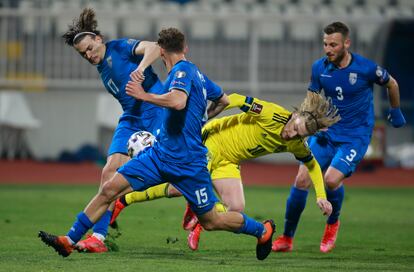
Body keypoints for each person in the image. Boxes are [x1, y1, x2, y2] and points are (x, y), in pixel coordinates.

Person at [39, 27, 276, 261]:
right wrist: (202, 117)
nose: (88, 55)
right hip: (160, 155)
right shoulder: (199, 75)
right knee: (110, 188)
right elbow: (223, 99)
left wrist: (143, 95)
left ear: (161, 52)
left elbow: (178, 101)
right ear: (186, 48)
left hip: (189, 164)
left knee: (211, 220)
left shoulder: (182, 71)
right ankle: (69, 240)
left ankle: (261, 230)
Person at [110, 90, 340, 251]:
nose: (291, 133)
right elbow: (238, 99)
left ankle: (198, 217)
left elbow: (311, 164)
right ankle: (125, 200)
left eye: (299, 134)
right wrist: (207, 115)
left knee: (237, 208)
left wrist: (321, 196)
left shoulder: (296, 144)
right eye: (293, 127)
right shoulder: (271, 113)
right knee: (180, 188)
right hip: (213, 143)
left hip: (229, 161)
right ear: (295, 114)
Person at [272, 21, 406, 254]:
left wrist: (395, 111)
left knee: (331, 180)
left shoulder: (365, 68)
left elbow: (392, 83)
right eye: (325, 44)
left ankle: (333, 222)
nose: (328, 49)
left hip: (355, 136)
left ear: (346, 43)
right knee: (302, 179)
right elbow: (312, 100)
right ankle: (286, 237)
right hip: (328, 133)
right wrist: (309, 122)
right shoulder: (319, 68)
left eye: (333, 44)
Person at [59, 7, 173, 253]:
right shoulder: (101, 66)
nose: (88, 55)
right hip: (131, 117)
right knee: (108, 172)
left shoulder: (120, 47)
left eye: (90, 48)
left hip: (154, 110)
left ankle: (198, 207)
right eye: (83, 54)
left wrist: (141, 68)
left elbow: (155, 47)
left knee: (165, 172)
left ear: (99, 39)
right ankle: (98, 238)